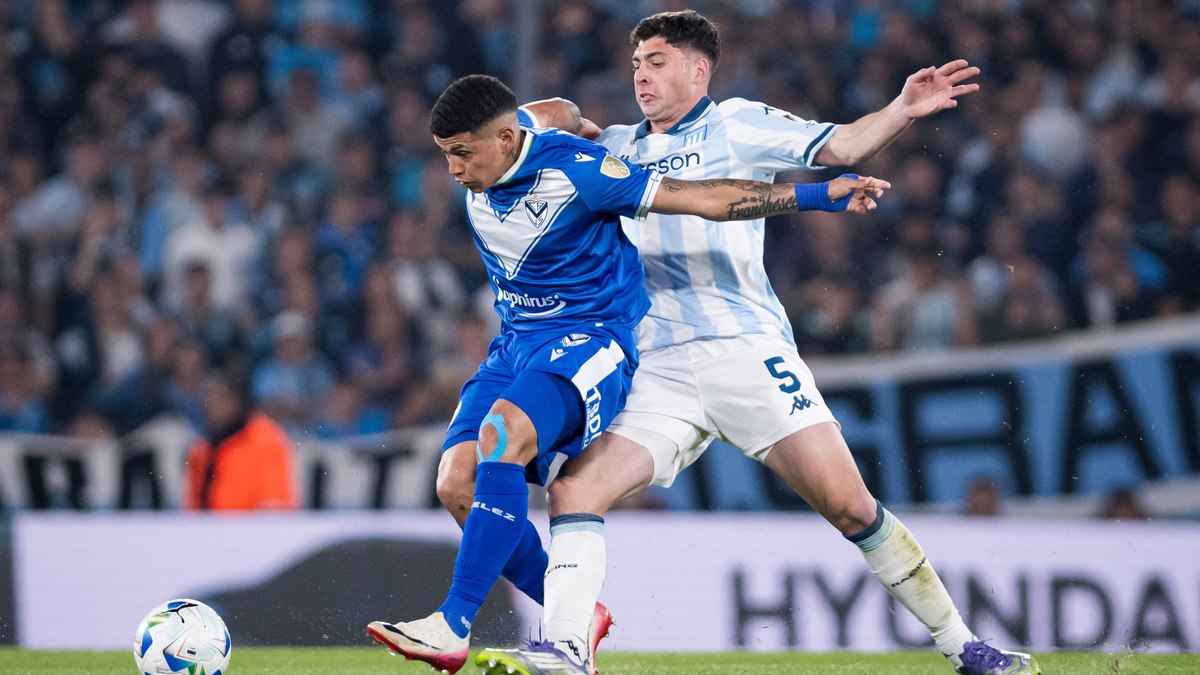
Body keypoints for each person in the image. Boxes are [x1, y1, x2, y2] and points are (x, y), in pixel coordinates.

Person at [469, 11, 1039, 675]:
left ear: (697, 69)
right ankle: (568, 651)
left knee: (850, 504)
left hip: (744, 350)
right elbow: (514, 128)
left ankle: (964, 644)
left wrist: (902, 109)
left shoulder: (738, 123)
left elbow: (846, 147)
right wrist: (560, 112)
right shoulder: (612, 146)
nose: (641, 75)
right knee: (573, 490)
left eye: (656, 61)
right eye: (635, 64)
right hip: (653, 366)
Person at [364, 73, 888, 675]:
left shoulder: (584, 172)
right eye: (445, 154)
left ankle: (452, 623)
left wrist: (818, 196)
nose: (453, 170)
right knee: (457, 484)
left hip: (589, 339)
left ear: (505, 140)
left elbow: (704, 198)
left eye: (462, 153)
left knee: (501, 439)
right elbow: (554, 107)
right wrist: (574, 113)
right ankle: (577, 614)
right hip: (515, 343)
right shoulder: (524, 127)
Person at [183, 368, 298, 511]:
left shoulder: (265, 440)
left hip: (250, 528)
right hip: (209, 529)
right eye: (208, 396)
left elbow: (275, 503)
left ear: (237, 401)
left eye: (220, 396)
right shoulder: (202, 448)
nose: (211, 403)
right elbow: (194, 506)